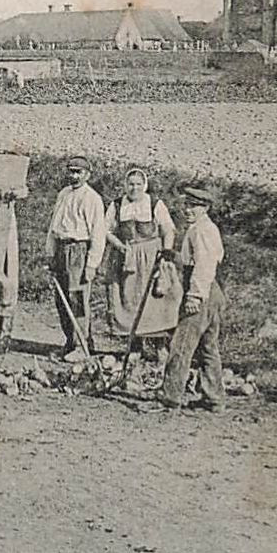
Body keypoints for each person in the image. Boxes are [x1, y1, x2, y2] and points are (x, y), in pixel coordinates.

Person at [159, 184, 227, 411]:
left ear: (205, 208)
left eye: (194, 206)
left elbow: (204, 266)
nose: (188, 210)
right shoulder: (202, 228)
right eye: (186, 205)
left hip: (203, 290)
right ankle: (214, 398)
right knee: (208, 347)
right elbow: (193, 261)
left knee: (182, 344)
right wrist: (175, 256)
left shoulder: (202, 231)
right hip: (210, 290)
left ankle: (171, 397)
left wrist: (194, 296)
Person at [104, 168, 178, 339]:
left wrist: (165, 256)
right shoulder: (117, 205)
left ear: (144, 185)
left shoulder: (154, 204)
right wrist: (120, 246)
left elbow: (168, 230)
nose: (134, 188)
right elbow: (105, 230)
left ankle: (160, 346)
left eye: (138, 184)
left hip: (152, 258)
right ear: (125, 185)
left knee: (155, 301)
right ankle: (134, 345)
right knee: (130, 300)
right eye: (130, 184)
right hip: (127, 258)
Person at [44, 155, 107, 354]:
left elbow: (98, 233)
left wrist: (91, 265)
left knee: (77, 299)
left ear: (87, 175)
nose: (74, 176)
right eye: (71, 171)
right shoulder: (64, 193)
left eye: (78, 172)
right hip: (61, 249)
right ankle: (70, 342)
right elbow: (54, 225)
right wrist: (51, 253)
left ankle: (82, 345)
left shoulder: (92, 198)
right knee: (61, 299)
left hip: (78, 250)